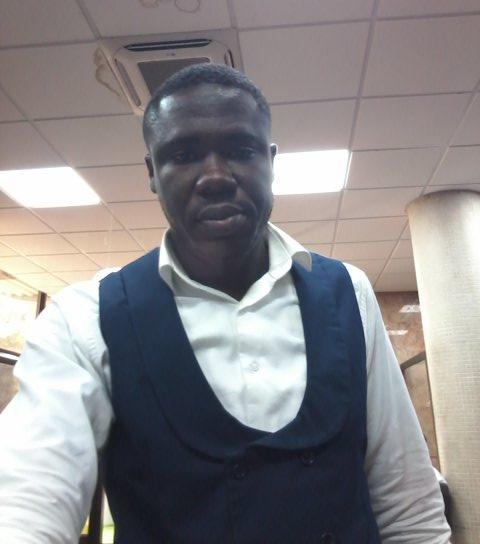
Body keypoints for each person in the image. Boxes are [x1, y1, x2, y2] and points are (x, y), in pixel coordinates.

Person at [0, 64, 451, 543]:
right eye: (183, 155)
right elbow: (24, 509)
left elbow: (410, 511)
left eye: (240, 150)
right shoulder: (86, 319)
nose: (215, 176)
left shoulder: (349, 293)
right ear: (152, 173)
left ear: (270, 162)